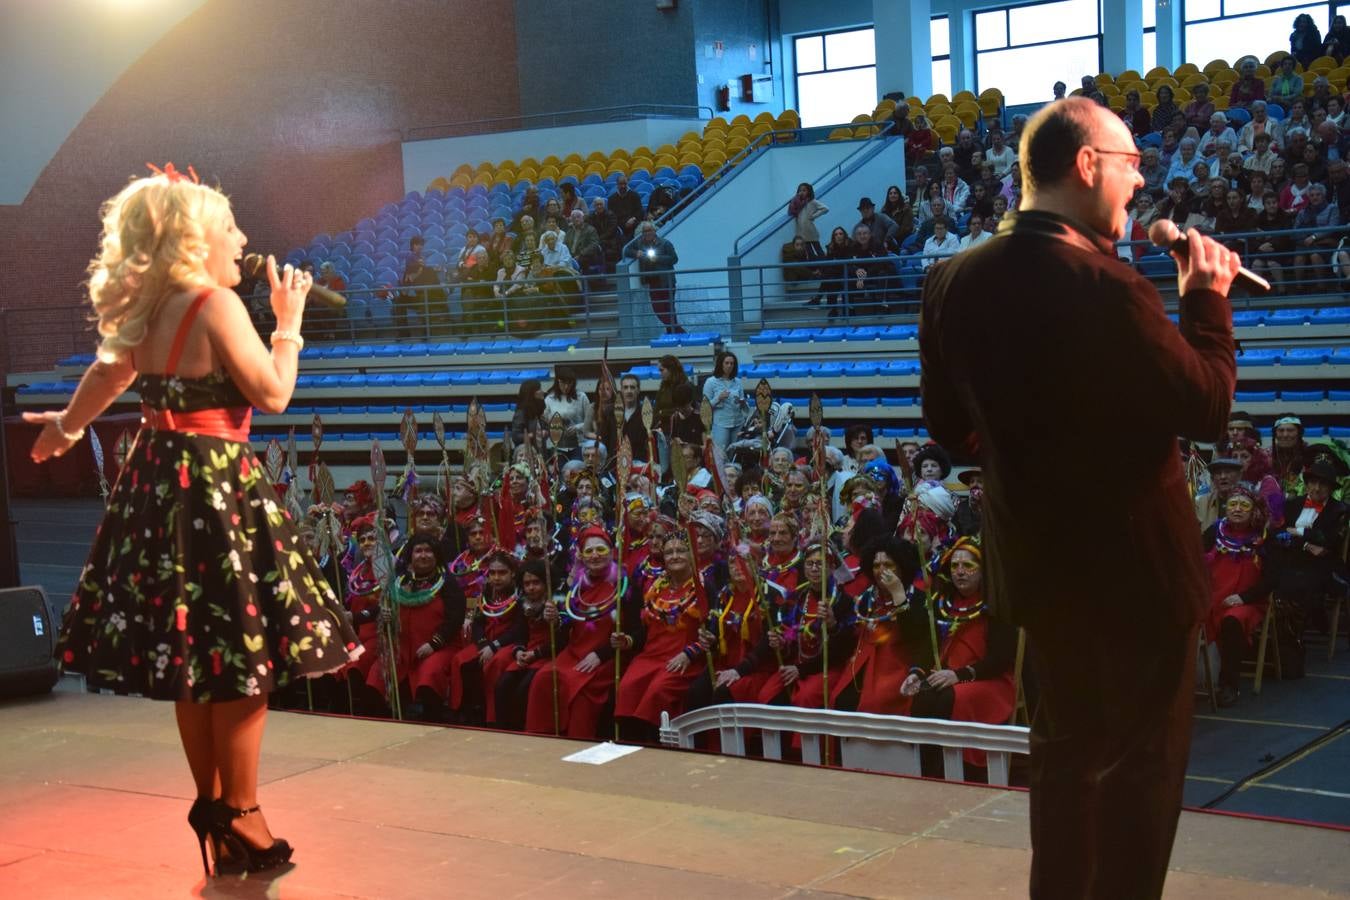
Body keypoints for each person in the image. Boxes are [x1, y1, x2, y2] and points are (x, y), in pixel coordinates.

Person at [919, 98, 1241, 899]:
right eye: (1131, 163)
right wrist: (1206, 298)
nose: (1138, 181)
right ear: (1087, 164)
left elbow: (948, 426)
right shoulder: (1111, 285)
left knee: (1063, 768)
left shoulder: (951, 280)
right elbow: (1205, 408)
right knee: (1139, 781)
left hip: (1040, 572)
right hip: (1137, 580)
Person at [30, 167, 363, 876]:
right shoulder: (215, 304)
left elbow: (107, 376)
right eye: (231, 227)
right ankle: (241, 814)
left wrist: (64, 426)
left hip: (158, 482)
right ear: (195, 238)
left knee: (197, 662)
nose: (243, 239)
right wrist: (290, 325)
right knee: (241, 658)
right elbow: (272, 395)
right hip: (215, 485)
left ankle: (211, 804)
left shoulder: (145, 304)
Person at [624, 220, 681, 334]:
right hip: (652, 281)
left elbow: (674, 259)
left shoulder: (665, 243)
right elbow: (626, 250)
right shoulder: (639, 243)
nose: (647, 233)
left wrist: (658, 259)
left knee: (669, 308)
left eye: (650, 230)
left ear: (654, 231)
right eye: (645, 231)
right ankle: (677, 330)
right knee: (657, 308)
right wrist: (636, 253)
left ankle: (673, 331)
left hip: (666, 281)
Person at [702, 350, 746, 450]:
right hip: (721, 423)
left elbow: (743, 404)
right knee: (721, 453)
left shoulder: (738, 382)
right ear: (720, 364)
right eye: (727, 363)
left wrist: (742, 402)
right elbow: (704, 408)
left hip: (738, 422)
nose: (730, 366)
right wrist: (718, 398)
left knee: (735, 452)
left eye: (732, 363)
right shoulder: (710, 382)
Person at [544, 365, 593, 454]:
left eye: (569, 383)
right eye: (563, 383)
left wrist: (577, 427)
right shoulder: (549, 399)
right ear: (557, 382)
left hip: (579, 445)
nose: (566, 387)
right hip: (557, 446)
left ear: (573, 383)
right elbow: (545, 421)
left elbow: (591, 421)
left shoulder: (581, 397)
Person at [788, 181, 829, 253]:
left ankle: (823, 263)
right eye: (800, 190)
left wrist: (814, 216)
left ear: (809, 192)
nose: (802, 192)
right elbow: (792, 212)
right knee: (809, 253)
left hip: (810, 230)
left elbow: (825, 208)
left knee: (818, 250)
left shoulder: (812, 201)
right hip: (801, 232)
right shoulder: (797, 203)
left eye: (804, 190)